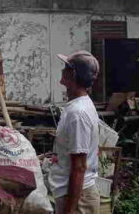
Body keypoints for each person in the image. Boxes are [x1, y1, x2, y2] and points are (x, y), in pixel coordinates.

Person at [49, 50, 101, 214]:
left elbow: (79, 167)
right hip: (75, 194)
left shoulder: (77, 113)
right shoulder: (77, 106)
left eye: (66, 67)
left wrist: (69, 210)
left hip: (78, 199)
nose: (62, 70)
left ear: (72, 74)